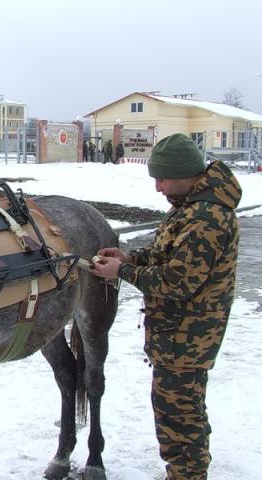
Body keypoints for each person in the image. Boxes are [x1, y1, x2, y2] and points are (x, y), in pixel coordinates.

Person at [91, 134, 242, 480]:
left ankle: (187, 475)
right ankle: (183, 472)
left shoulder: (207, 219)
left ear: (184, 172)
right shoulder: (192, 208)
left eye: (162, 178)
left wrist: (122, 271)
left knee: (179, 418)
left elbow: (178, 281)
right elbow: (169, 257)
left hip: (187, 339)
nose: (157, 187)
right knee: (180, 412)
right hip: (179, 336)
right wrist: (130, 256)